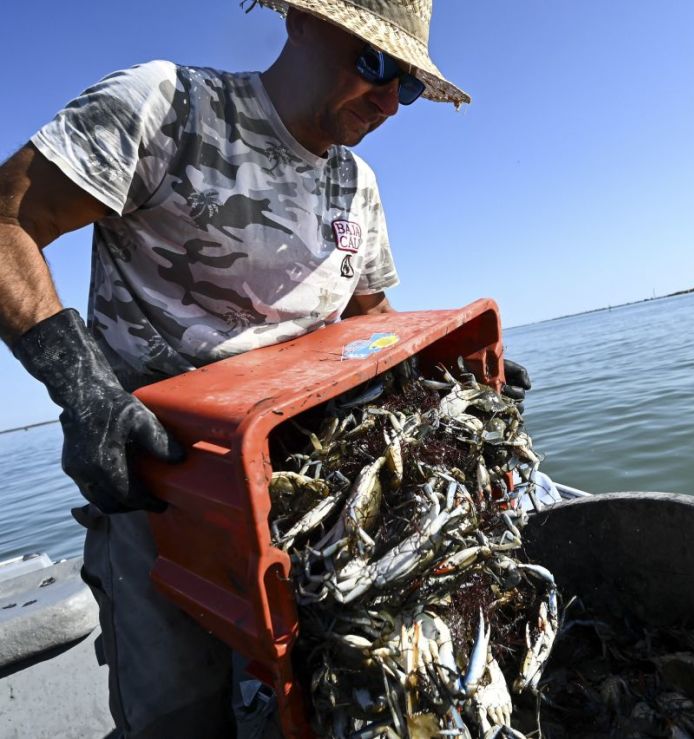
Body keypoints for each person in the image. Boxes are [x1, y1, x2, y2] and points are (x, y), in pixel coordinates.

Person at [0, 0, 530, 735]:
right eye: (373, 63)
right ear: (301, 22)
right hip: (161, 489)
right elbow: (7, 222)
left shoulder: (358, 186)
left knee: (330, 694)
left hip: (305, 499)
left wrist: (454, 388)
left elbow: (368, 321)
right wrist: (81, 388)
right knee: (176, 717)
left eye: (406, 84)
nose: (388, 101)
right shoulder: (169, 106)